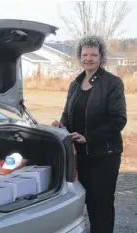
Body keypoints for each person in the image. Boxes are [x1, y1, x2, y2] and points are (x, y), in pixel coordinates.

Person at [52, 36, 127, 233]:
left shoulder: (112, 83)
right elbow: (67, 114)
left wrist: (89, 137)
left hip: (104, 155)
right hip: (79, 155)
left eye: (94, 54)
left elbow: (118, 119)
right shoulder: (75, 84)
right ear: (79, 56)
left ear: (101, 57)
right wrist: (62, 125)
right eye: (85, 54)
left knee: (100, 205)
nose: (89, 58)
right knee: (81, 201)